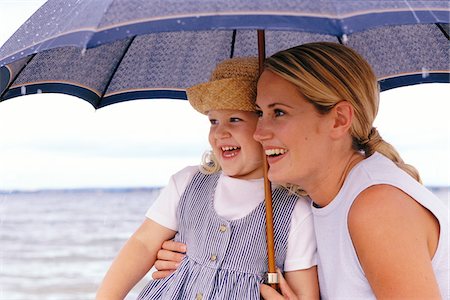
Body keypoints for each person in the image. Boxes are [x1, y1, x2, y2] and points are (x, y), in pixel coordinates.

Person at [153, 42, 449, 299]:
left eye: (278, 112)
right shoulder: (320, 201)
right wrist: (193, 258)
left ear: (338, 119)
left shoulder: (376, 208)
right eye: (259, 113)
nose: (260, 133)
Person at [95, 57, 319, 300]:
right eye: (213, 121)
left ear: (266, 127)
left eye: (235, 119)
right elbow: (144, 244)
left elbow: (303, 292)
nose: (220, 132)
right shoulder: (187, 182)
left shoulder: (294, 210)